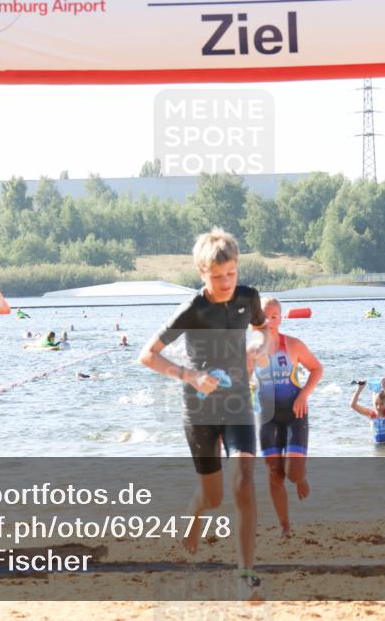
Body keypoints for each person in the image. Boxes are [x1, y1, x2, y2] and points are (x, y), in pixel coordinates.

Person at [138, 228, 268, 588]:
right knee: (212, 497)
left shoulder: (248, 298)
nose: (227, 282)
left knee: (243, 480)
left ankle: (245, 570)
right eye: (217, 276)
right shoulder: (193, 309)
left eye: (232, 273)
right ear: (202, 273)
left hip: (239, 403)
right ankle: (194, 514)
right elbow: (147, 355)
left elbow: (263, 329)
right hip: (199, 412)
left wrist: (260, 346)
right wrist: (190, 376)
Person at [250, 297, 323, 539]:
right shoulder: (250, 351)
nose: (269, 321)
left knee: (291, 473)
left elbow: (317, 369)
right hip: (267, 416)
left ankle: (300, 477)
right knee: (274, 473)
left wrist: (304, 395)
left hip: (294, 413)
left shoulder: (293, 345)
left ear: (280, 318)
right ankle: (285, 526)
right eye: (263, 316)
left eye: (274, 316)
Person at [350, 377, 385, 445]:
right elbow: (353, 405)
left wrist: (384, 387)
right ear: (373, 402)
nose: (378, 407)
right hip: (378, 445)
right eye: (376, 404)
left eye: (381, 404)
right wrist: (359, 388)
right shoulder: (370, 414)